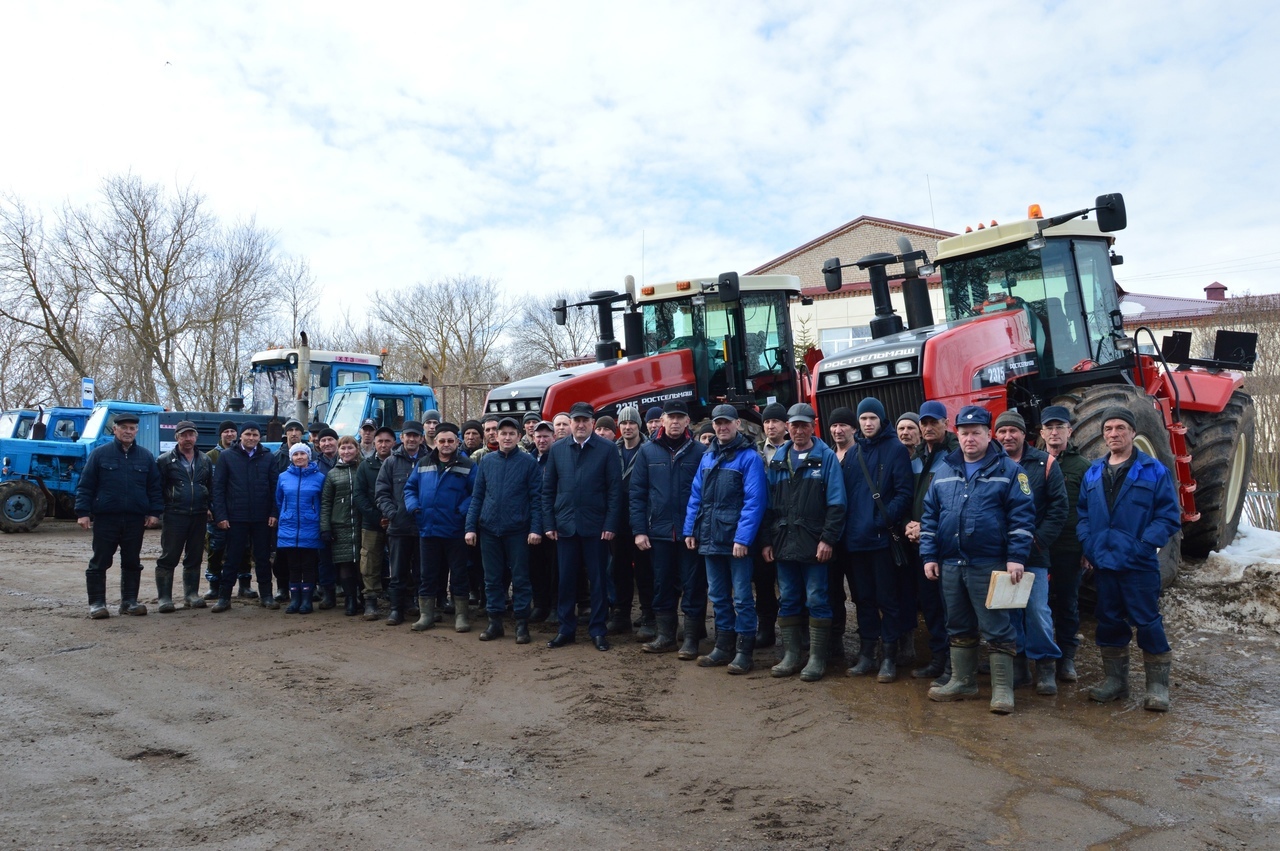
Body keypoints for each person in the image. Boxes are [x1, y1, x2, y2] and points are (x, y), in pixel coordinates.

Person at [921, 405, 1036, 714]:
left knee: (997, 626)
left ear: (989, 435)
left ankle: (1002, 690)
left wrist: (1016, 557)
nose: (969, 439)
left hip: (990, 563)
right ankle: (963, 682)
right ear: (956, 434)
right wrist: (929, 556)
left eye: (976, 433)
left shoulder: (1010, 471)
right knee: (957, 624)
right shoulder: (944, 470)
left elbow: (1022, 519)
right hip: (950, 563)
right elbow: (930, 517)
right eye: (964, 433)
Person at [1077, 407, 1182, 712]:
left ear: (1133, 432)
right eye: (1108, 428)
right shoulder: (1093, 471)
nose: (1113, 433)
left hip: (1138, 564)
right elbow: (1083, 514)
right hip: (1105, 563)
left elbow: (1168, 516)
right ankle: (1116, 682)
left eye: (1120, 427)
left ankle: (1157, 687)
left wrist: (1144, 545)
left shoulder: (1154, 470)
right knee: (1109, 621)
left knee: (1148, 622)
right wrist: (1089, 543)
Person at [762, 403, 847, 683]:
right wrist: (768, 540)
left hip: (814, 544)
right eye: (794, 425)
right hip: (784, 542)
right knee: (788, 599)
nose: (799, 430)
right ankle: (791, 655)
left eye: (804, 425)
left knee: (817, 599)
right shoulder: (778, 460)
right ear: (788, 427)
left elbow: (837, 505)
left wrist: (827, 540)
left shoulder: (826, 458)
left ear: (813, 426)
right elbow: (768, 506)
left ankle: (817, 658)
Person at [831, 401, 912, 682]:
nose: (867, 423)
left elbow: (904, 492)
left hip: (881, 541)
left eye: (872, 417)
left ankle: (888, 656)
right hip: (854, 543)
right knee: (863, 600)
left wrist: (882, 521)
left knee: (888, 600)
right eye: (863, 418)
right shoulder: (854, 454)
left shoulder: (896, 450)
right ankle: (867, 654)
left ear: (881, 419)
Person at [683, 404, 768, 672]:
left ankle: (744, 651)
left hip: (735, 542)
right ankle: (723, 646)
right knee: (718, 596)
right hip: (709, 537)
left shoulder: (749, 458)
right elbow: (696, 496)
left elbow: (755, 502)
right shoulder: (707, 457)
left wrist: (743, 539)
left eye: (726, 423)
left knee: (742, 596)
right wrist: (690, 530)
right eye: (718, 423)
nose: (721, 427)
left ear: (737, 425)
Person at [994, 410, 1068, 695]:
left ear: (1025, 434)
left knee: (1037, 610)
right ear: (995, 435)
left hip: (1034, 554)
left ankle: (1046, 664)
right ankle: (1019, 665)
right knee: (1009, 611)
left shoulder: (1045, 463)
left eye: (1013, 431)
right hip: (1000, 553)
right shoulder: (992, 463)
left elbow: (1059, 509)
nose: (1008, 436)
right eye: (1002, 431)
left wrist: (1036, 543)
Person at [542, 402, 623, 651]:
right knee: (566, 580)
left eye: (584, 420)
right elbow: (548, 490)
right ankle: (566, 629)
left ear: (592, 423)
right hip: (565, 526)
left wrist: (610, 523)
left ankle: (598, 630)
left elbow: (615, 491)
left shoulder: (607, 449)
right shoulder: (557, 449)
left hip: (596, 527)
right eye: (576, 420)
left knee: (597, 580)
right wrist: (549, 522)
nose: (579, 424)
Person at [631, 399, 705, 654]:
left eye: (679, 417)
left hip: (689, 534)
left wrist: (696, 529)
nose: (674, 422)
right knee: (661, 584)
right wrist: (640, 530)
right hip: (658, 532)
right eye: (670, 417)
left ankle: (692, 640)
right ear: (662, 421)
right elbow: (637, 494)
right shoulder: (647, 451)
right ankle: (665, 637)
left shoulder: (699, 452)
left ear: (687, 421)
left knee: (693, 585)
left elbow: (706, 494)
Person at [76, 411, 163, 618]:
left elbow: (154, 488)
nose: (128, 431)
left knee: (132, 561)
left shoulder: (145, 456)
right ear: (115, 430)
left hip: (135, 519)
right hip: (107, 518)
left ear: (137, 431)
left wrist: (154, 512)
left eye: (132, 428)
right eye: (124, 428)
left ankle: (129, 602)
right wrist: (83, 512)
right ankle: (97, 604)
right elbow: (86, 485)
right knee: (100, 561)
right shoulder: (100, 454)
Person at [466, 417, 543, 643]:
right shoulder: (487, 462)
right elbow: (477, 496)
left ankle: (521, 624)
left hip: (518, 530)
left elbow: (536, 499)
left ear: (519, 437)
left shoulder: (529, 463)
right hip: (489, 529)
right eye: (503, 433)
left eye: (512, 433)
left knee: (520, 578)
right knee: (492, 579)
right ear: (495, 436)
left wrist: (536, 528)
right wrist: (470, 527)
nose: (507, 437)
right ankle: (495, 622)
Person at [903, 400, 957, 683]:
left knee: (952, 608)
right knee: (932, 605)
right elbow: (911, 497)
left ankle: (954, 666)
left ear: (945, 424)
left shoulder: (955, 455)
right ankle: (938, 659)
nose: (927, 427)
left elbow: (957, 503)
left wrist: (925, 526)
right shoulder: (920, 456)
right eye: (924, 423)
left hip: (947, 545)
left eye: (933, 422)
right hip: (922, 544)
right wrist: (910, 525)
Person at [404, 422, 476, 633]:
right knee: (428, 574)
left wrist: (461, 511)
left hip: (455, 530)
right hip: (428, 528)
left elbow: (476, 493)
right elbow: (410, 488)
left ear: (457, 442)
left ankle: (461, 616)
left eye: (450, 441)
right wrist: (414, 507)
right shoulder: (423, 463)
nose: (446, 444)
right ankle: (426, 615)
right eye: (442, 441)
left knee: (459, 573)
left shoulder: (468, 465)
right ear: (435, 442)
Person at [1039, 404, 1091, 682]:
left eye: (1060, 427)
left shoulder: (1083, 467)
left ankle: (1067, 657)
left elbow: (1092, 510)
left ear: (1070, 431)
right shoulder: (1034, 462)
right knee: (1039, 603)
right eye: (1049, 427)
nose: (1055, 432)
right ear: (1042, 432)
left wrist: (1087, 549)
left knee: (1068, 602)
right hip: (1039, 547)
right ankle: (1043, 657)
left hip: (1070, 547)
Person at [211, 423, 279, 612]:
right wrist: (221, 515)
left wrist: (274, 512)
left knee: (263, 558)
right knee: (232, 558)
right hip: (235, 517)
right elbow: (218, 488)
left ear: (260, 437)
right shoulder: (226, 457)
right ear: (240, 436)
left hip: (262, 517)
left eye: (255, 434)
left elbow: (275, 488)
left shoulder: (268, 457)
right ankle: (224, 598)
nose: (251, 438)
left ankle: (266, 595)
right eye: (248, 434)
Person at [155, 420, 213, 611]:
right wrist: (158, 512)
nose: (188, 439)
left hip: (198, 515)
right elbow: (157, 489)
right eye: (183, 435)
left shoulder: (205, 460)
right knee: (169, 556)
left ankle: (191, 594)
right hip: (174, 515)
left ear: (196, 437)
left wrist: (210, 507)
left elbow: (210, 487)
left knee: (194, 556)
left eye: (191, 435)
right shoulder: (164, 460)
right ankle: (164, 598)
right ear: (177, 437)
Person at [375, 420, 428, 626]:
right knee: (397, 571)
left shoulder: (430, 460)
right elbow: (381, 492)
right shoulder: (391, 462)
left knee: (422, 571)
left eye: (416, 435)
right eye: (408, 435)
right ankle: (396, 609)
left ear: (421, 438)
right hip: (399, 527)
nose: (412, 439)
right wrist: (393, 513)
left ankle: (419, 606)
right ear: (402, 438)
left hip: (424, 526)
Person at [608, 405, 654, 638]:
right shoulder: (611, 451)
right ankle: (621, 615)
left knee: (645, 571)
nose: (627, 427)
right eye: (624, 423)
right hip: (618, 521)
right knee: (619, 570)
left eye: (632, 423)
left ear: (639, 425)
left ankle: (648, 616)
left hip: (642, 521)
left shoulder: (649, 450)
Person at [752, 402, 789, 648]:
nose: (770, 425)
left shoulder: (797, 448)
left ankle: (795, 633)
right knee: (763, 581)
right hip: (762, 525)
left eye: (775, 421)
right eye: (766, 422)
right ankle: (766, 628)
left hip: (790, 525)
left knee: (791, 582)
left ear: (785, 425)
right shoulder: (754, 451)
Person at [276, 442, 324, 613]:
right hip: (289, 527)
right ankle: (294, 599)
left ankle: (307, 601)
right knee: (293, 566)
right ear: (291, 457)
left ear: (308, 456)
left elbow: (321, 502)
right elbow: (279, 500)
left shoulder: (319, 477)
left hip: (310, 526)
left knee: (309, 566)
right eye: (295, 455)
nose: (299, 457)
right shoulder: (283, 477)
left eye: (302, 454)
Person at [353, 425, 395, 619]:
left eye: (387, 441)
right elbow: (359, 495)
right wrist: (377, 518)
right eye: (380, 441)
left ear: (394, 442)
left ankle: (402, 599)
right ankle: (371, 601)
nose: (383, 444)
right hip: (372, 523)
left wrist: (394, 516)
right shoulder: (365, 466)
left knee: (401, 561)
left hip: (398, 522)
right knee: (369, 562)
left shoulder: (400, 463)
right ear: (374, 443)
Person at [321, 435, 364, 616]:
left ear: (357, 449)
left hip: (362, 524)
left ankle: (364, 597)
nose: (346, 452)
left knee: (362, 565)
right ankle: (350, 599)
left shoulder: (364, 469)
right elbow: (326, 502)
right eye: (343, 448)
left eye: (350, 448)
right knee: (345, 564)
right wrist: (325, 527)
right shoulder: (332, 474)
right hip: (341, 525)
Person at [204, 419, 240, 601]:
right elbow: (204, 484)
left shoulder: (242, 454)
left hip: (239, 510)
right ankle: (214, 585)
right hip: (217, 510)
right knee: (215, 548)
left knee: (244, 548)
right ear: (220, 434)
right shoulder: (209, 457)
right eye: (226, 431)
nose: (229, 434)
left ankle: (245, 584)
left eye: (232, 431)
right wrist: (208, 507)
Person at [527, 420, 558, 622]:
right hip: (531, 522)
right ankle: (540, 604)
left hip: (554, 523)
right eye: (538, 436)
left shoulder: (559, 458)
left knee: (555, 568)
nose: (541, 440)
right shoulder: (528, 460)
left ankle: (556, 607)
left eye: (546, 436)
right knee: (535, 566)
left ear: (553, 437)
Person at [312, 427, 341, 608]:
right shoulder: (314, 465)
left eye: (330, 439)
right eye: (323, 440)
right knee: (324, 558)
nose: (327, 443)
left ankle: (349, 591)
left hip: (345, 516)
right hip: (322, 516)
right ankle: (328, 592)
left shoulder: (347, 458)